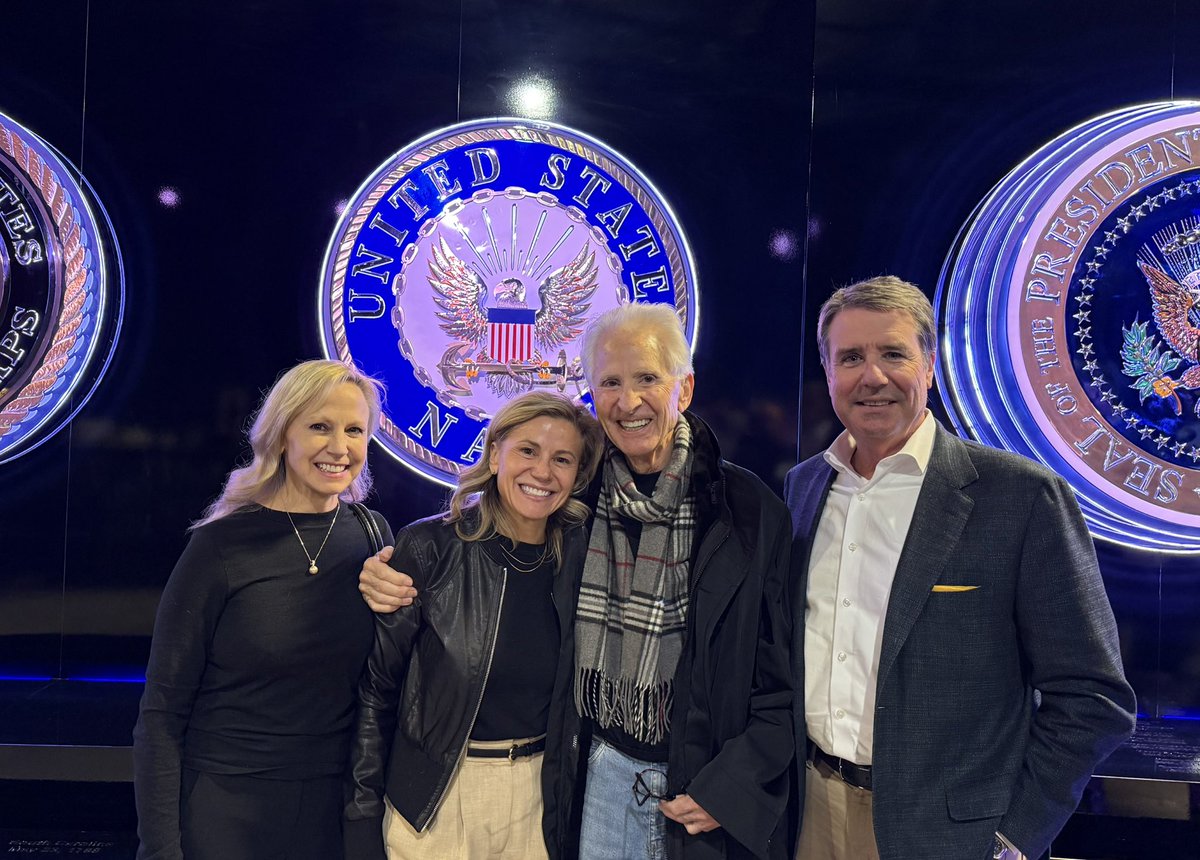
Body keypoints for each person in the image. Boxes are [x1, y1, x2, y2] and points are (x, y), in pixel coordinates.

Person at [360, 303, 795, 859]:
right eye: (610, 382)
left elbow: (779, 677)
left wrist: (729, 788)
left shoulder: (748, 512)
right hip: (587, 785)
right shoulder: (576, 506)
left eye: (646, 379)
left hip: (696, 796)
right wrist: (385, 572)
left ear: (683, 390)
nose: (628, 401)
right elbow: (482, 542)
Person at [784, 276, 1137, 860]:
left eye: (893, 353)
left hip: (954, 838)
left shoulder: (1021, 497)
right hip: (810, 815)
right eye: (850, 358)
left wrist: (1014, 840)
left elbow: (1093, 699)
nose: (872, 377)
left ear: (929, 364)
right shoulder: (804, 487)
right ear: (828, 373)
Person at [133, 359, 393, 860]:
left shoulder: (373, 534)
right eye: (320, 426)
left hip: (334, 815)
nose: (339, 447)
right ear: (280, 436)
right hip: (225, 811)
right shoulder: (219, 547)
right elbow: (161, 716)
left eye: (354, 430)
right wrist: (160, 850)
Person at [342, 391, 603, 860]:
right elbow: (376, 692)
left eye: (562, 459)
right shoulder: (430, 547)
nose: (543, 472)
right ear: (495, 452)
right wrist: (361, 814)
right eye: (527, 450)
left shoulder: (583, 554)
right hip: (436, 798)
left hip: (539, 798)